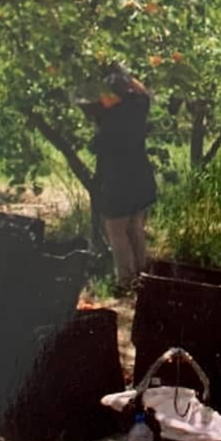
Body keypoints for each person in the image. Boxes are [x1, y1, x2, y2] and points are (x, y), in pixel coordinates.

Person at [88, 66, 157, 291]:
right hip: (141, 179)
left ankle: (126, 282)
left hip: (119, 183)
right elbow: (144, 93)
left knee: (117, 232)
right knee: (135, 228)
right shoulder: (138, 107)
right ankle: (142, 275)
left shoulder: (109, 124)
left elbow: (95, 145)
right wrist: (128, 77)